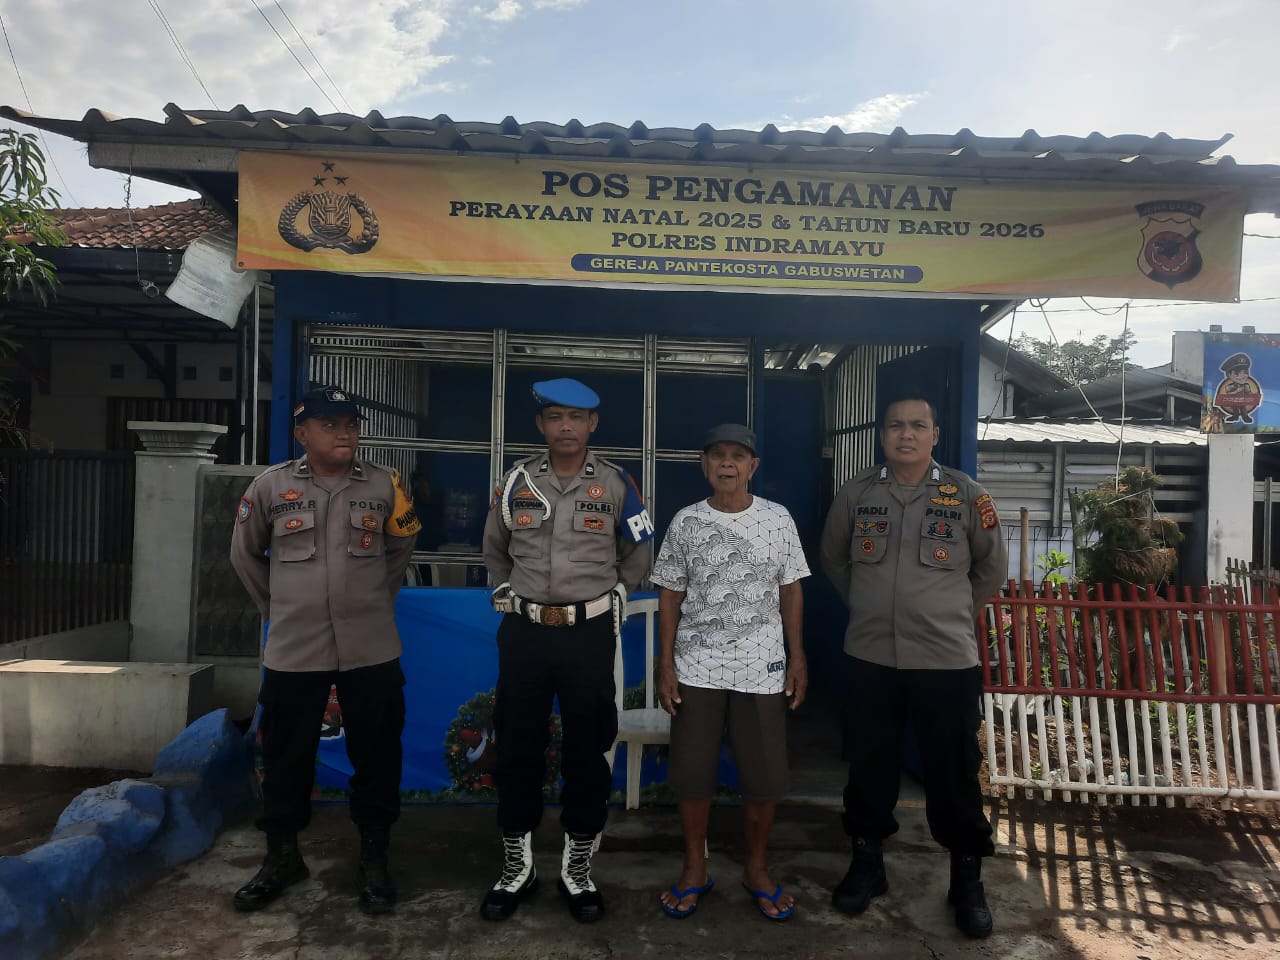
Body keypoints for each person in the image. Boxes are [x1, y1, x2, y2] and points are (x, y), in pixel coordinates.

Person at [819, 395, 1007, 938]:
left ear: (935, 434)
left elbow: (991, 569)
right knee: (868, 764)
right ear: (882, 435)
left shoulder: (968, 495)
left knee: (953, 770)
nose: (906, 434)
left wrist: (949, 615)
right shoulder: (857, 494)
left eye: (917, 425)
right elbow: (834, 558)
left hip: (945, 660)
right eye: (896, 425)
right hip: (870, 656)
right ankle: (867, 862)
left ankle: (966, 878)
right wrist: (870, 606)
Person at [229, 385, 421, 915]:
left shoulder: (384, 484)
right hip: (295, 650)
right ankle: (282, 858)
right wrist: (282, 610)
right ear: (301, 433)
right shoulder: (270, 487)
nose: (345, 433)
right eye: (330, 424)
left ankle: (374, 860)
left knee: (377, 755)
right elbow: (244, 555)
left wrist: (373, 601)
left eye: (351, 423)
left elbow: (402, 544)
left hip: (371, 647)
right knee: (285, 757)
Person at [479, 377, 654, 923]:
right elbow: (494, 547)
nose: (566, 427)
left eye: (576, 417)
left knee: (588, 748)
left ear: (592, 424)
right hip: (526, 632)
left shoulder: (618, 484)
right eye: (555, 417)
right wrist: (504, 589)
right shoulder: (516, 482)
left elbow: (640, 547)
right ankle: (518, 867)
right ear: (541, 424)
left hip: (588, 634)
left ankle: (578, 870)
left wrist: (620, 593)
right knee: (517, 746)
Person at [651, 424, 810, 922]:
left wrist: (798, 656)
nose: (727, 463)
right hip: (697, 666)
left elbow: (791, 589)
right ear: (704, 465)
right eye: (717, 455)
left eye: (738, 456)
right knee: (692, 775)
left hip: (762, 667)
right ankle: (694, 868)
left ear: (752, 467)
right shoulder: (686, 521)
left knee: (764, 778)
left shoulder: (777, 519)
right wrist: (665, 663)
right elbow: (670, 594)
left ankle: (755, 869)